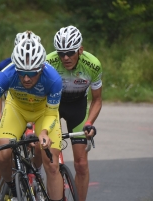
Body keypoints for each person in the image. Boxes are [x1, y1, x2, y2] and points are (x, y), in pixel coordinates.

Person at [0, 36, 64, 201]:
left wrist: (43, 132)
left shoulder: (54, 79)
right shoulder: (6, 74)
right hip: (17, 111)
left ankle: (37, 176)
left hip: (44, 113)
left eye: (31, 73)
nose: (26, 78)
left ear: (42, 68)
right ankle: (13, 189)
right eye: (21, 72)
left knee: (52, 165)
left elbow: (52, 113)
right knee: (2, 154)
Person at [46, 25, 102, 201]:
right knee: (52, 164)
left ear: (80, 50)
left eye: (70, 52)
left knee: (81, 164)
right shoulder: (48, 62)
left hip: (78, 107)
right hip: (53, 106)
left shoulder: (93, 65)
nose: (65, 57)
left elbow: (97, 100)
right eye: (61, 53)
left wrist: (89, 122)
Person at [0, 31, 42, 200]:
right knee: (4, 154)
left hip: (34, 111)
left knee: (34, 144)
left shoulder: (42, 67)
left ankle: (31, 180)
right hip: (12, 112)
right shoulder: (4, 66)